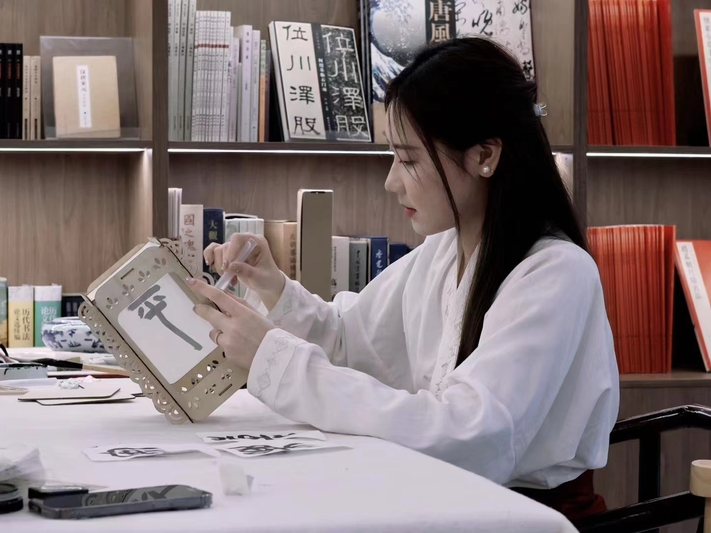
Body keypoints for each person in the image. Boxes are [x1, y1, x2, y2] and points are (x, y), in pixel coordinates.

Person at [188, 36, 620, 521]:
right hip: (447, 501)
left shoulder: (557, 273)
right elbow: (350, 341)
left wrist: (274, 358)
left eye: (409, 160)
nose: (391, 181)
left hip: (523, 516)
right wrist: (272, 286)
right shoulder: (443, 251)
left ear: (485, 155)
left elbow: (471, 436)